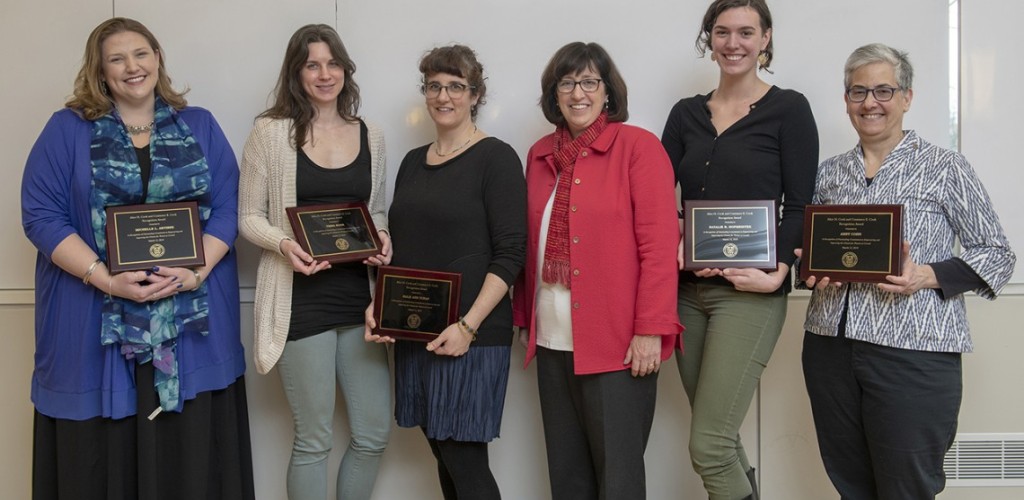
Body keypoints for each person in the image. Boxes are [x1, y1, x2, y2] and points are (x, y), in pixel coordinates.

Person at [21, 17, 253, 500]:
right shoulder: (67, 130)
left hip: (190, 323)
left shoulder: (199, 124)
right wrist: (106, 279)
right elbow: (41, 215)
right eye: (117, 58)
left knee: (188, 452)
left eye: (141, 53)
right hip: (94, 321)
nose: (132, 66)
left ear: (158, 58)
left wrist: (196, 273)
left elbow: (230, 206)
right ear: (100, 70)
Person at [801, 43, 1016, 500]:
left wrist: (925, 275)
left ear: (906, 97)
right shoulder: (828, 173)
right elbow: (812, 255)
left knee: (907, 487)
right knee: (850, 483)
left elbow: (997, 253)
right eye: (858, 92)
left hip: (914, 351)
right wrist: (811, 269)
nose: (870, 103)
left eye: (883, 90)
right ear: (846, 100)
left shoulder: (945, 167)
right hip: (830, 349)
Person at [660, 1, 819, 498]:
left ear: (765, 38)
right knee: (721, 439)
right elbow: (656, 199)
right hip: (686, 295)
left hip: (750, 295)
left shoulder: (790, 109)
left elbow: (800, 205)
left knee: (708, 445)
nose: (733, 43)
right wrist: (677, 239)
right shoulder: (684, 114)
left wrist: (779, 272)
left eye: (746, 32)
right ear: (709, 39)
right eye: (723, 32)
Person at [513, 41, 683, 499]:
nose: (578, 93)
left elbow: (659, 248)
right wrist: (525, 318)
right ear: (554, 93)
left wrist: (651, 329)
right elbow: (529, 242)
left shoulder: (638, 148)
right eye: (567, 83)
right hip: (552, 340)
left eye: (590, 81)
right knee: (567, 479)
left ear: (608, 91)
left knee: (618, 482)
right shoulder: (539, 154)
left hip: (618, 345)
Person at [364, 44, 525, 500]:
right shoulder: (413, 162)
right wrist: (379, 306)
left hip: (471, 335)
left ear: (475, 94)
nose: (443, 96)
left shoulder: (496, 158)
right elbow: (403, 250)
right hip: (416, 332)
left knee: (465, 463)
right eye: (434, 86)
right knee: (444, 457)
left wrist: (467, 327)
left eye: (456, 86)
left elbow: (510, 254)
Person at [238, 24, 392, 500]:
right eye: (312, 65)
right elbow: (248, 216)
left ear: (345, 69)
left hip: (359, 302)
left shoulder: (371, 134)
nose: (325, 74)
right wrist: (284, 245)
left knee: (372, 435)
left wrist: (383, 235)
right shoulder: (270, 133)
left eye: (333, 63)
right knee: (314, 440)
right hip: (299, 302)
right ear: (297, 73)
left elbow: (375, 210)